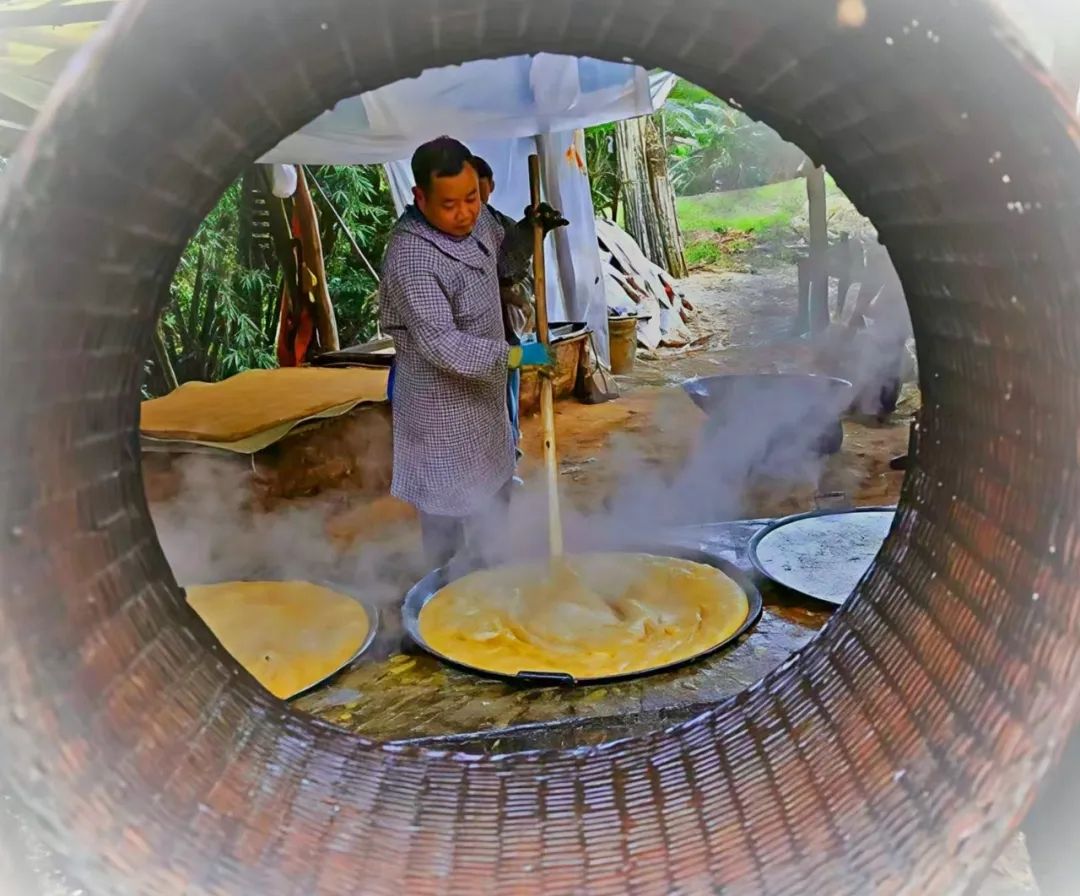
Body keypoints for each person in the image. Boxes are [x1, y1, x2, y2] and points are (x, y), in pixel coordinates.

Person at [379, 137, 563, 570]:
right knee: (445, 509)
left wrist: (529, 230)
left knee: (494, 489)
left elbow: (503, 262)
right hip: (439, 408)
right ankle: (442, 587)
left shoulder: (478, 221)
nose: (465, 213)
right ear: (419, 197)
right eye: (449, 205)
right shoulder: (410, 257)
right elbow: (441, 343)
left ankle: (494, 570)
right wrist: (515, 358)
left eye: (472, 198)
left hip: (482, 397)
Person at [471, 155, 567, 455]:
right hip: (478, 344)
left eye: (477, 188)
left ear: (490, 186)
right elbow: (489, 277)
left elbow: (510, 268)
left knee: (505, 401)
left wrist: (533, 229)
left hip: (502, 336)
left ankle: (507, 453)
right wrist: (527, 354)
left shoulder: (494, 221)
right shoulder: (446, 235)